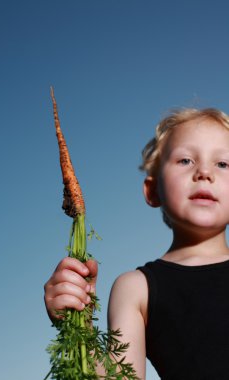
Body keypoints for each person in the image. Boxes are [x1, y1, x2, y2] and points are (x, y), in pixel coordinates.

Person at [44, 108, 229, 380]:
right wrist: (78, 324)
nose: (204, 172)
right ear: (153, 190)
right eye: (186, 160)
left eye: (223, 164)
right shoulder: (136, 288)